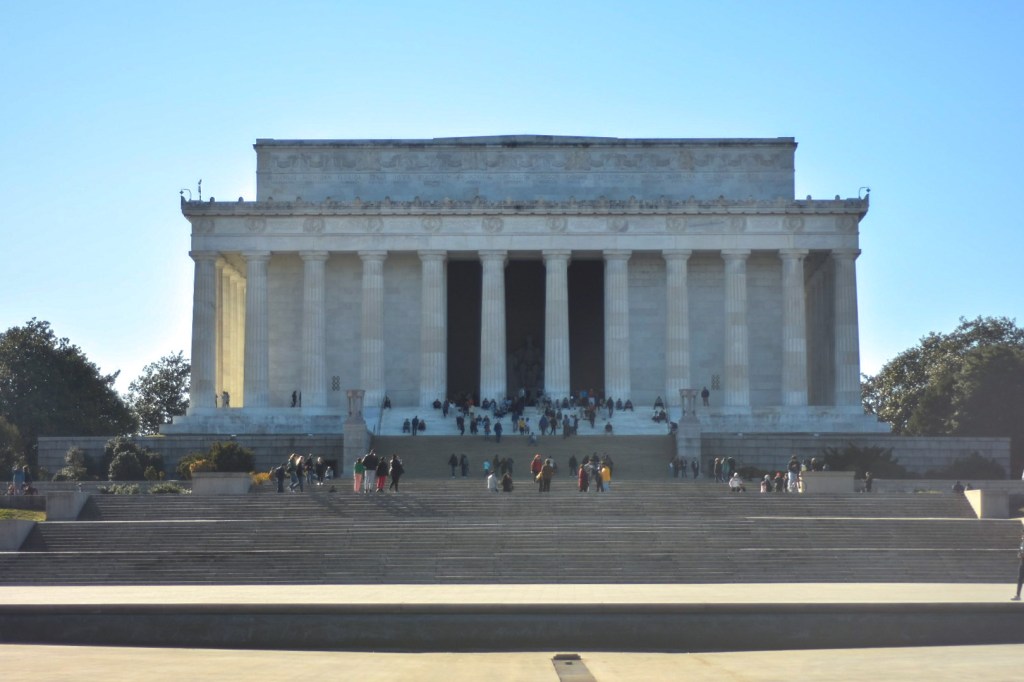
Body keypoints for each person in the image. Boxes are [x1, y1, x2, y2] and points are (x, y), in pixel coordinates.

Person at [1013, 529, 1024, 600]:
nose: (1022, 535)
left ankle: (1018, 595)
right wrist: (1019, 554)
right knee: (1020, 579)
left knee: (1020, 579)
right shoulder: (1022, 543)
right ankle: (1018, 595)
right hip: (1022, 562)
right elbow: (1020, 550)